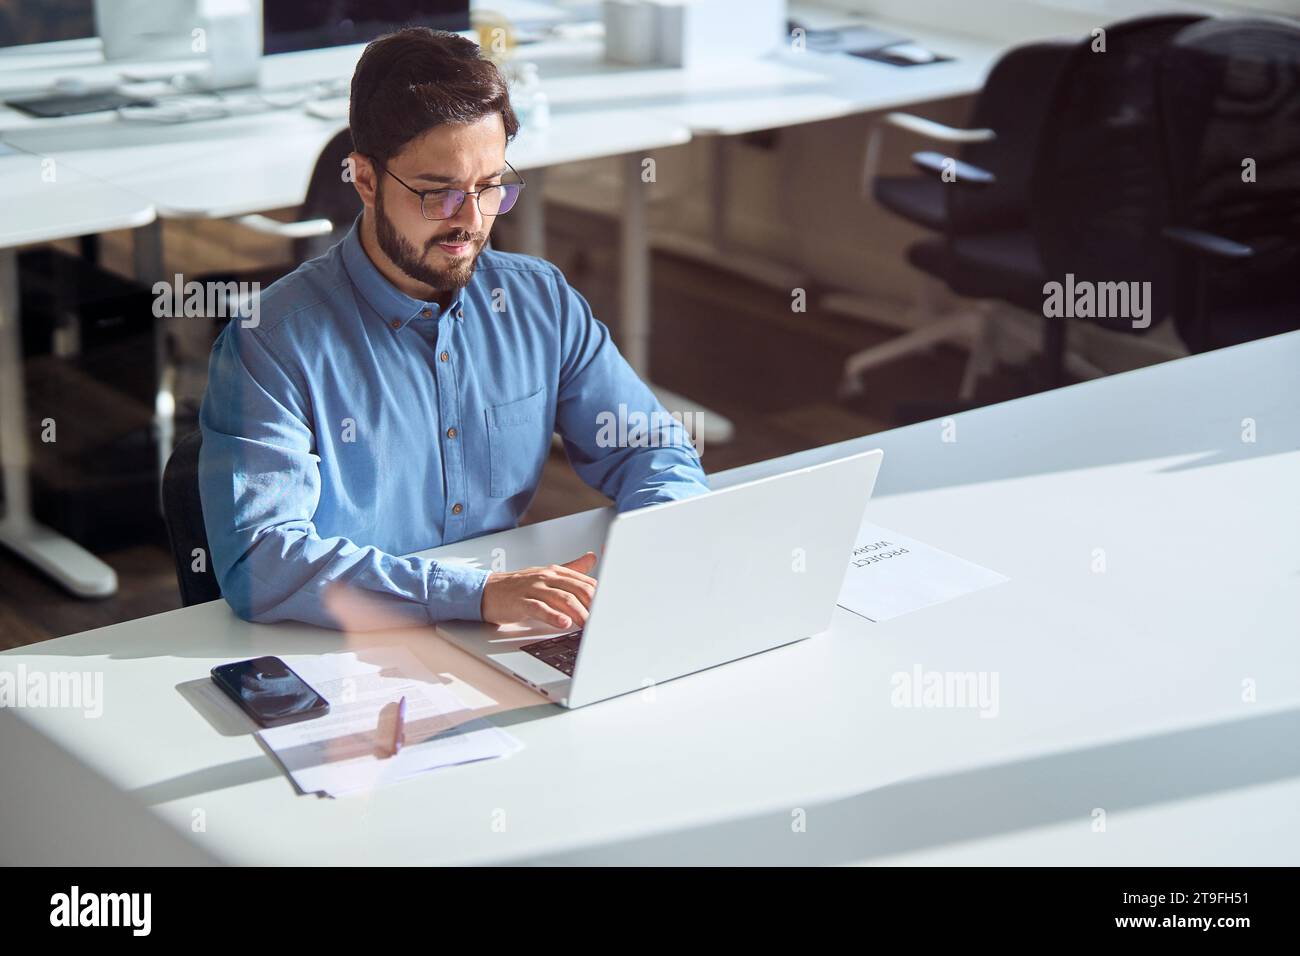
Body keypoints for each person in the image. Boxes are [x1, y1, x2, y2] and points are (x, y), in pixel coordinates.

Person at [199, 28, 708, 632]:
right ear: (365, 179)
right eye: (438, 193)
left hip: (500, 631)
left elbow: (652, 450)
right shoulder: (271, 342)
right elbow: (261, 563)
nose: (469, 221)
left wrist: (655, 554)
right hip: (350, 649)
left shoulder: (538, 301)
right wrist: (475, 594)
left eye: (490, 187)